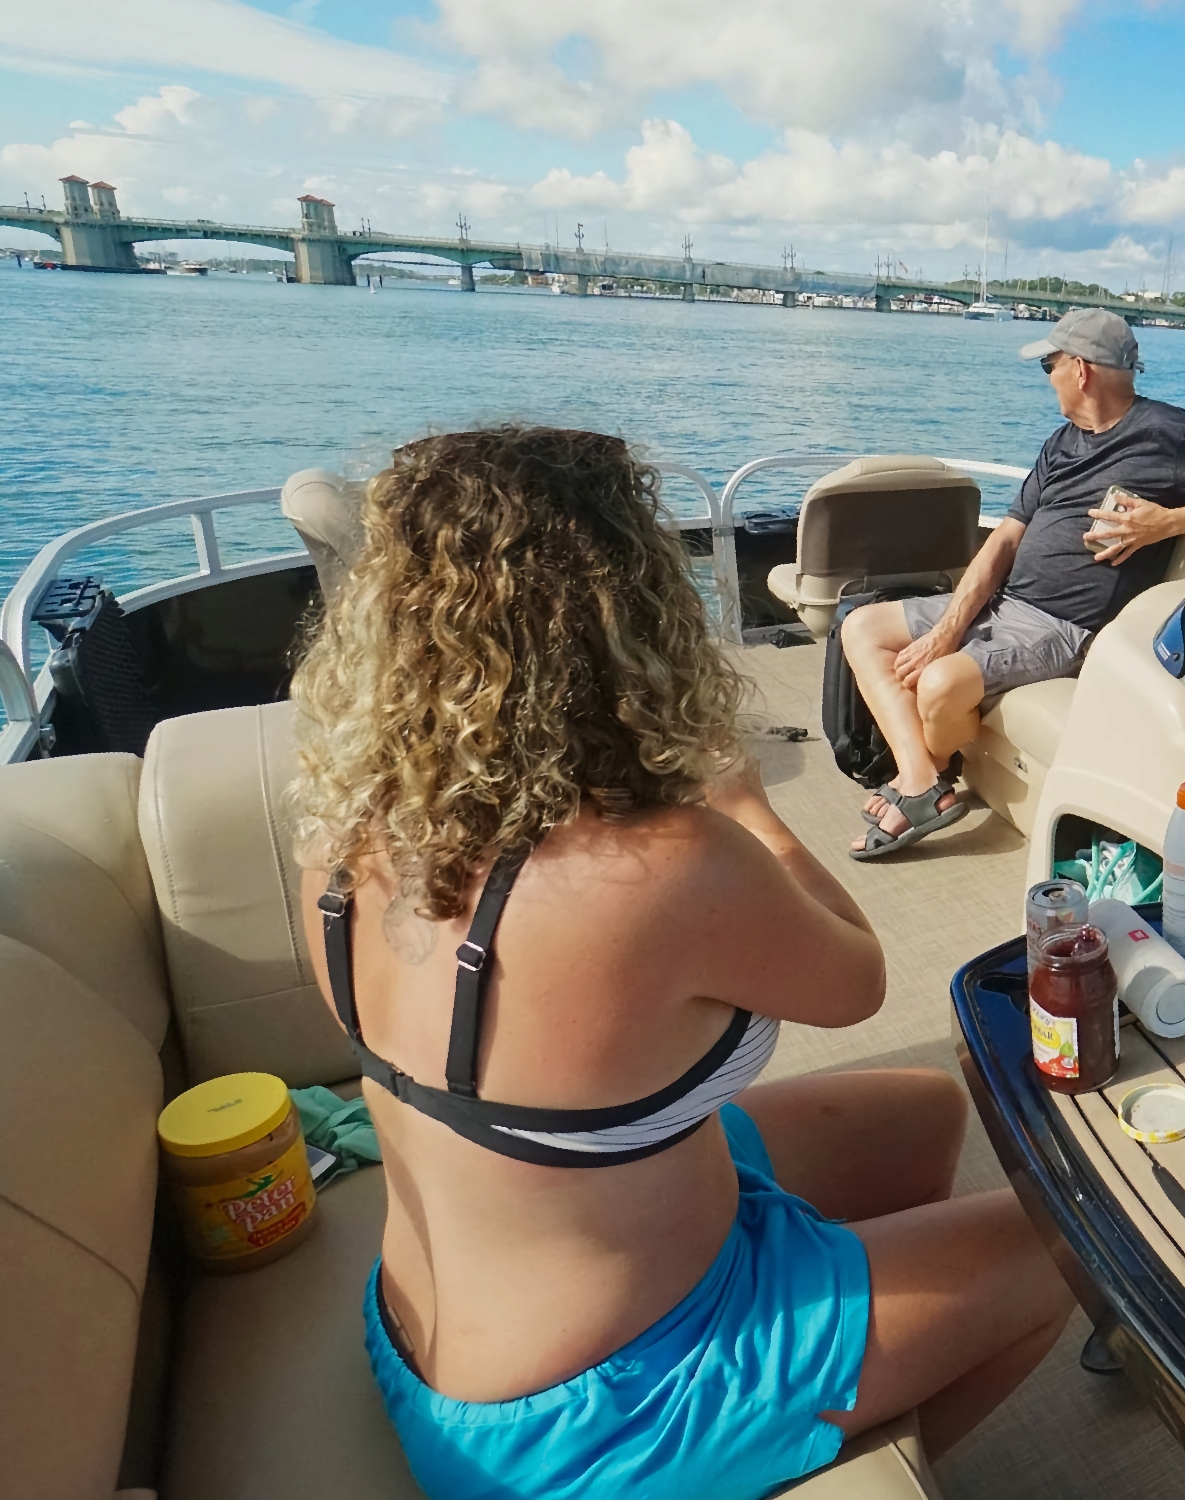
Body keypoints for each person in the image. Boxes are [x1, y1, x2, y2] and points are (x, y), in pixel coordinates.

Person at [291, 427, 1073, 1500]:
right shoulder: (665, 867)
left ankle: (849, 1347)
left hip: (426, 1329)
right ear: (627, 614)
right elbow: (857, 978)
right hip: (602, 1410)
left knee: (922, 1113)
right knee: (1065, 1248)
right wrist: (747, 806)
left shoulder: (342, 841)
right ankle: (819, 1447)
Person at [843, 307, 1185, 858]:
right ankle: (921, 780)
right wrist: (948, 628)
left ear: (1081, 370)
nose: (1047, 376)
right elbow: (1004, 541)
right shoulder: (1060, 443)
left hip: (1066, 626)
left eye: (1049, 365)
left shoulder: (1167, 433)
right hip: (1006, 603)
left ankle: (922, 781)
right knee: (861, 627)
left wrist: (1166, 523)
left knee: (936, 684)